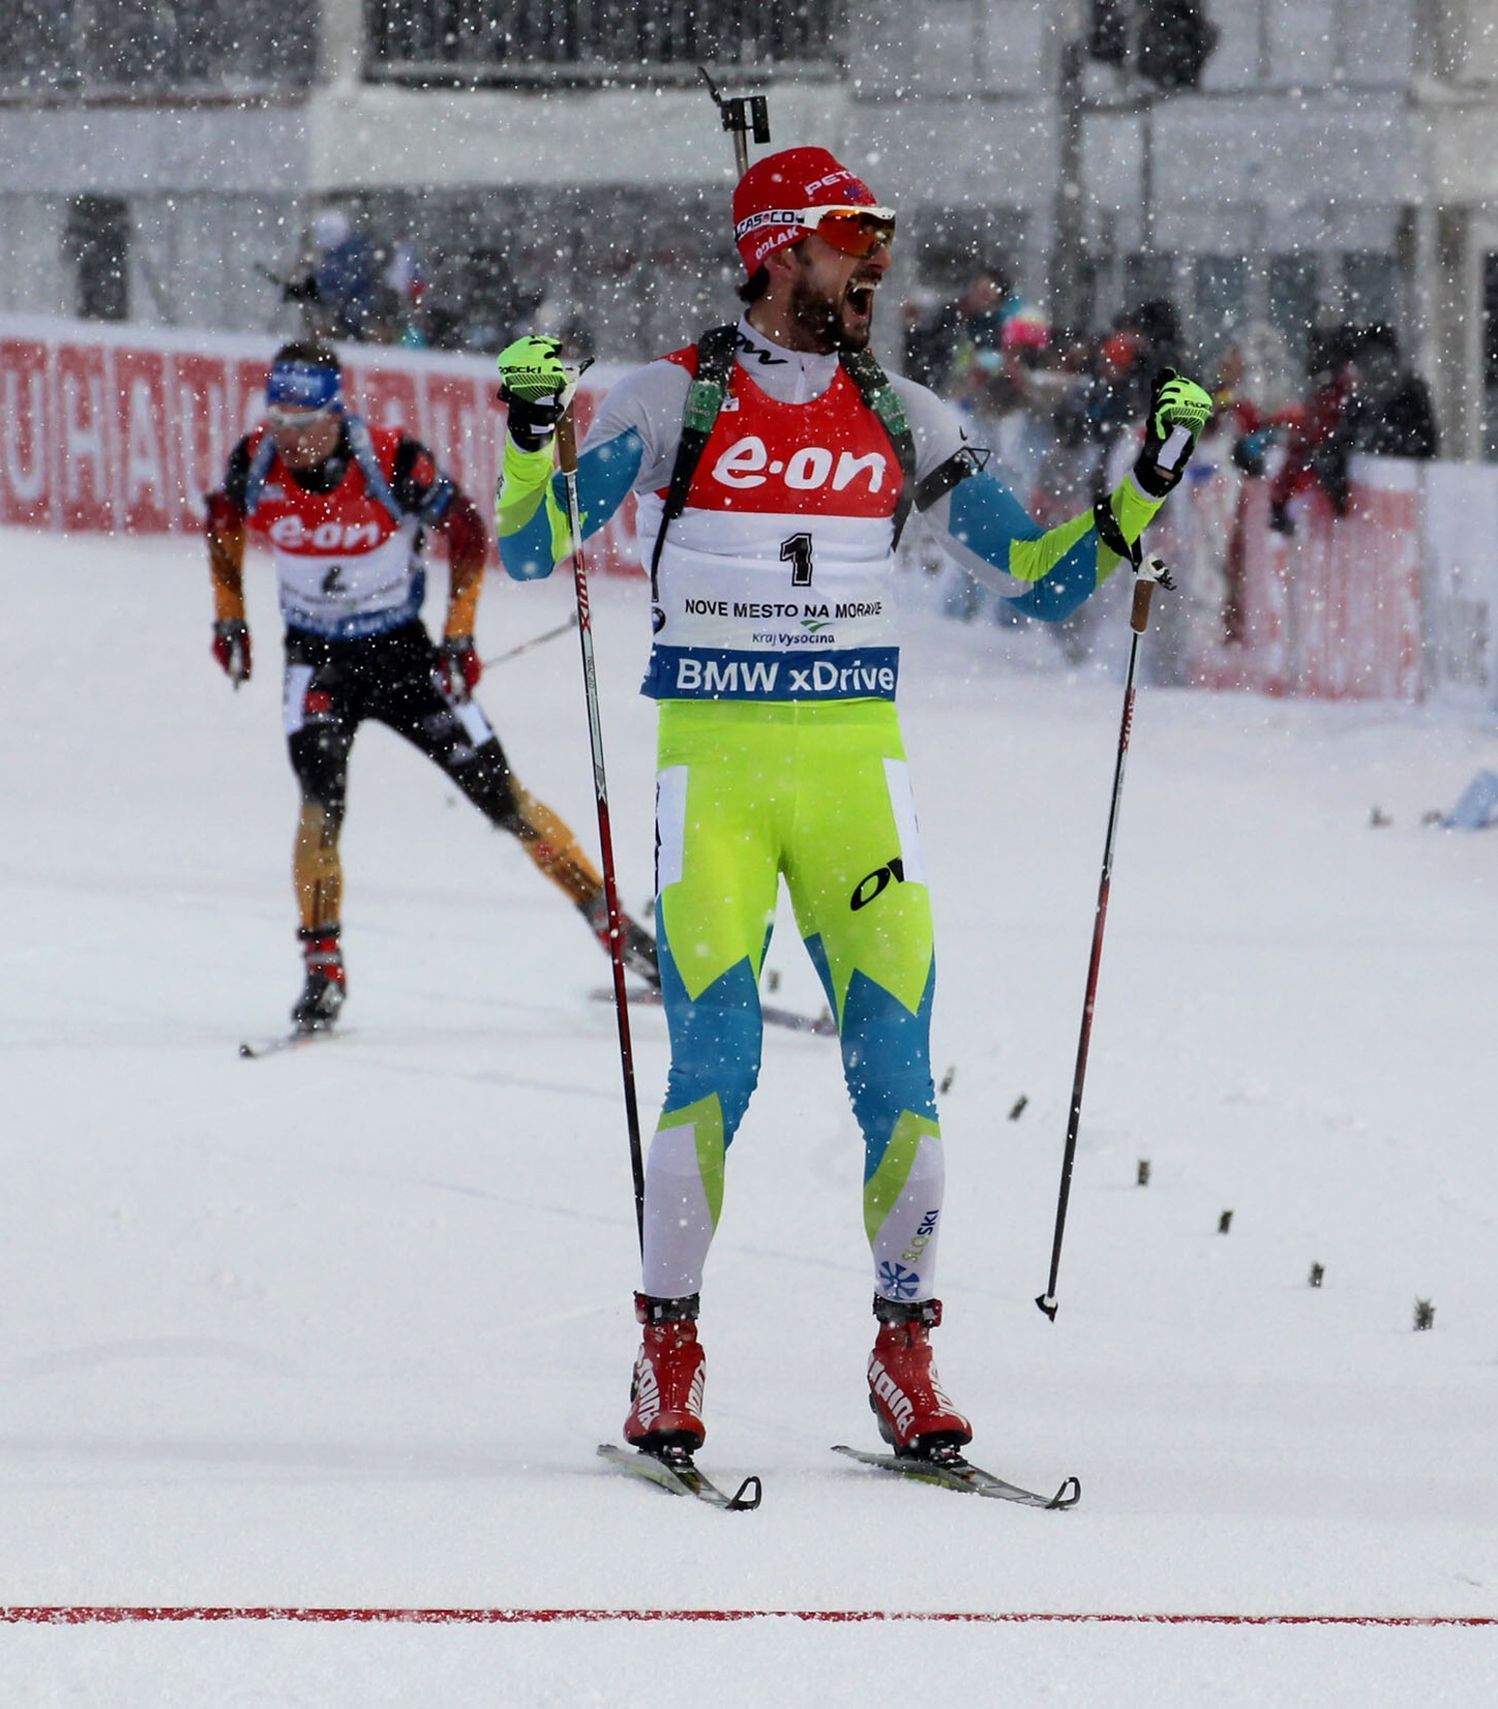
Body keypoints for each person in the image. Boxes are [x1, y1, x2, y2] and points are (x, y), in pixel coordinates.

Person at [493, 147, 1210, 1463]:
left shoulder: (906, 415)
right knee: (720, 1065)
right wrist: (531, 439)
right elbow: (533, 547)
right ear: (776, 251)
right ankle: (666, 1355)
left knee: (899, 1078)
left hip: (854, 782)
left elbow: (1045, 581)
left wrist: (1144, 484)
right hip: (713, 773)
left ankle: (904, 1356)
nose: (872, 266)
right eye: (847, 243)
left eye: (877, 243)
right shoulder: (672, 399)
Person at [204, 340, 657, 1032]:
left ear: (335, 413)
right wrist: (231, 619)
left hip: (403, 658)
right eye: (279, 420)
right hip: (317, 662)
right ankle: (322, 972)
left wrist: (458, 634)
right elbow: (223, 521)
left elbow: (469, 531)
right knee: (320, 801)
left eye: (304, 423)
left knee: (504, 799)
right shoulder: (255, 460)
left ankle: (620, 935)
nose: (289, 439)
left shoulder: (388, 459)